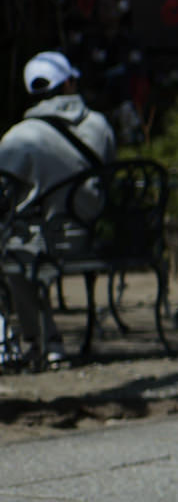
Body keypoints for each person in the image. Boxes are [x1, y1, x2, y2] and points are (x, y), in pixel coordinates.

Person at [0, 53, 118, 367]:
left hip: (46, 242)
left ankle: (39, 341)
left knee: (13, 251)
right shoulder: (99, 125)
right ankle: (42, 342)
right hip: (93, 236)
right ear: (68, 84)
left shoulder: (20, 137)